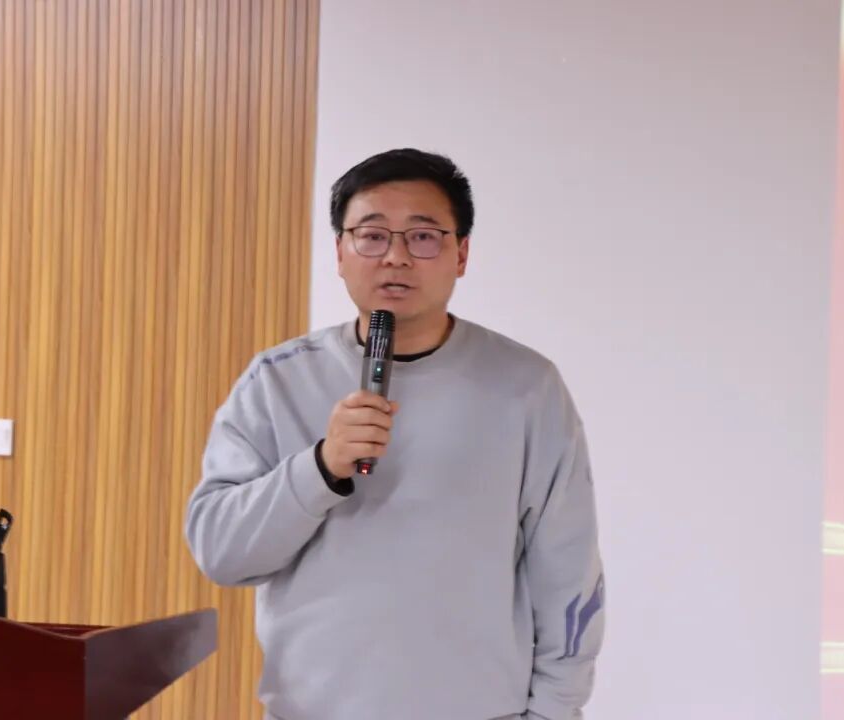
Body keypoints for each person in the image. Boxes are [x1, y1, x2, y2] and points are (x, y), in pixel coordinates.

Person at [185, 148, 605, 719]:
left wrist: (555, 711)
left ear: (461, 254)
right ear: (340, 252)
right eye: (372, 236)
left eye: (424, 237)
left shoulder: (526, 387)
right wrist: (320, 467)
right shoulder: (277, 380)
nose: (396, 257)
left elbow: (567, 571)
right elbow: (221, 553)